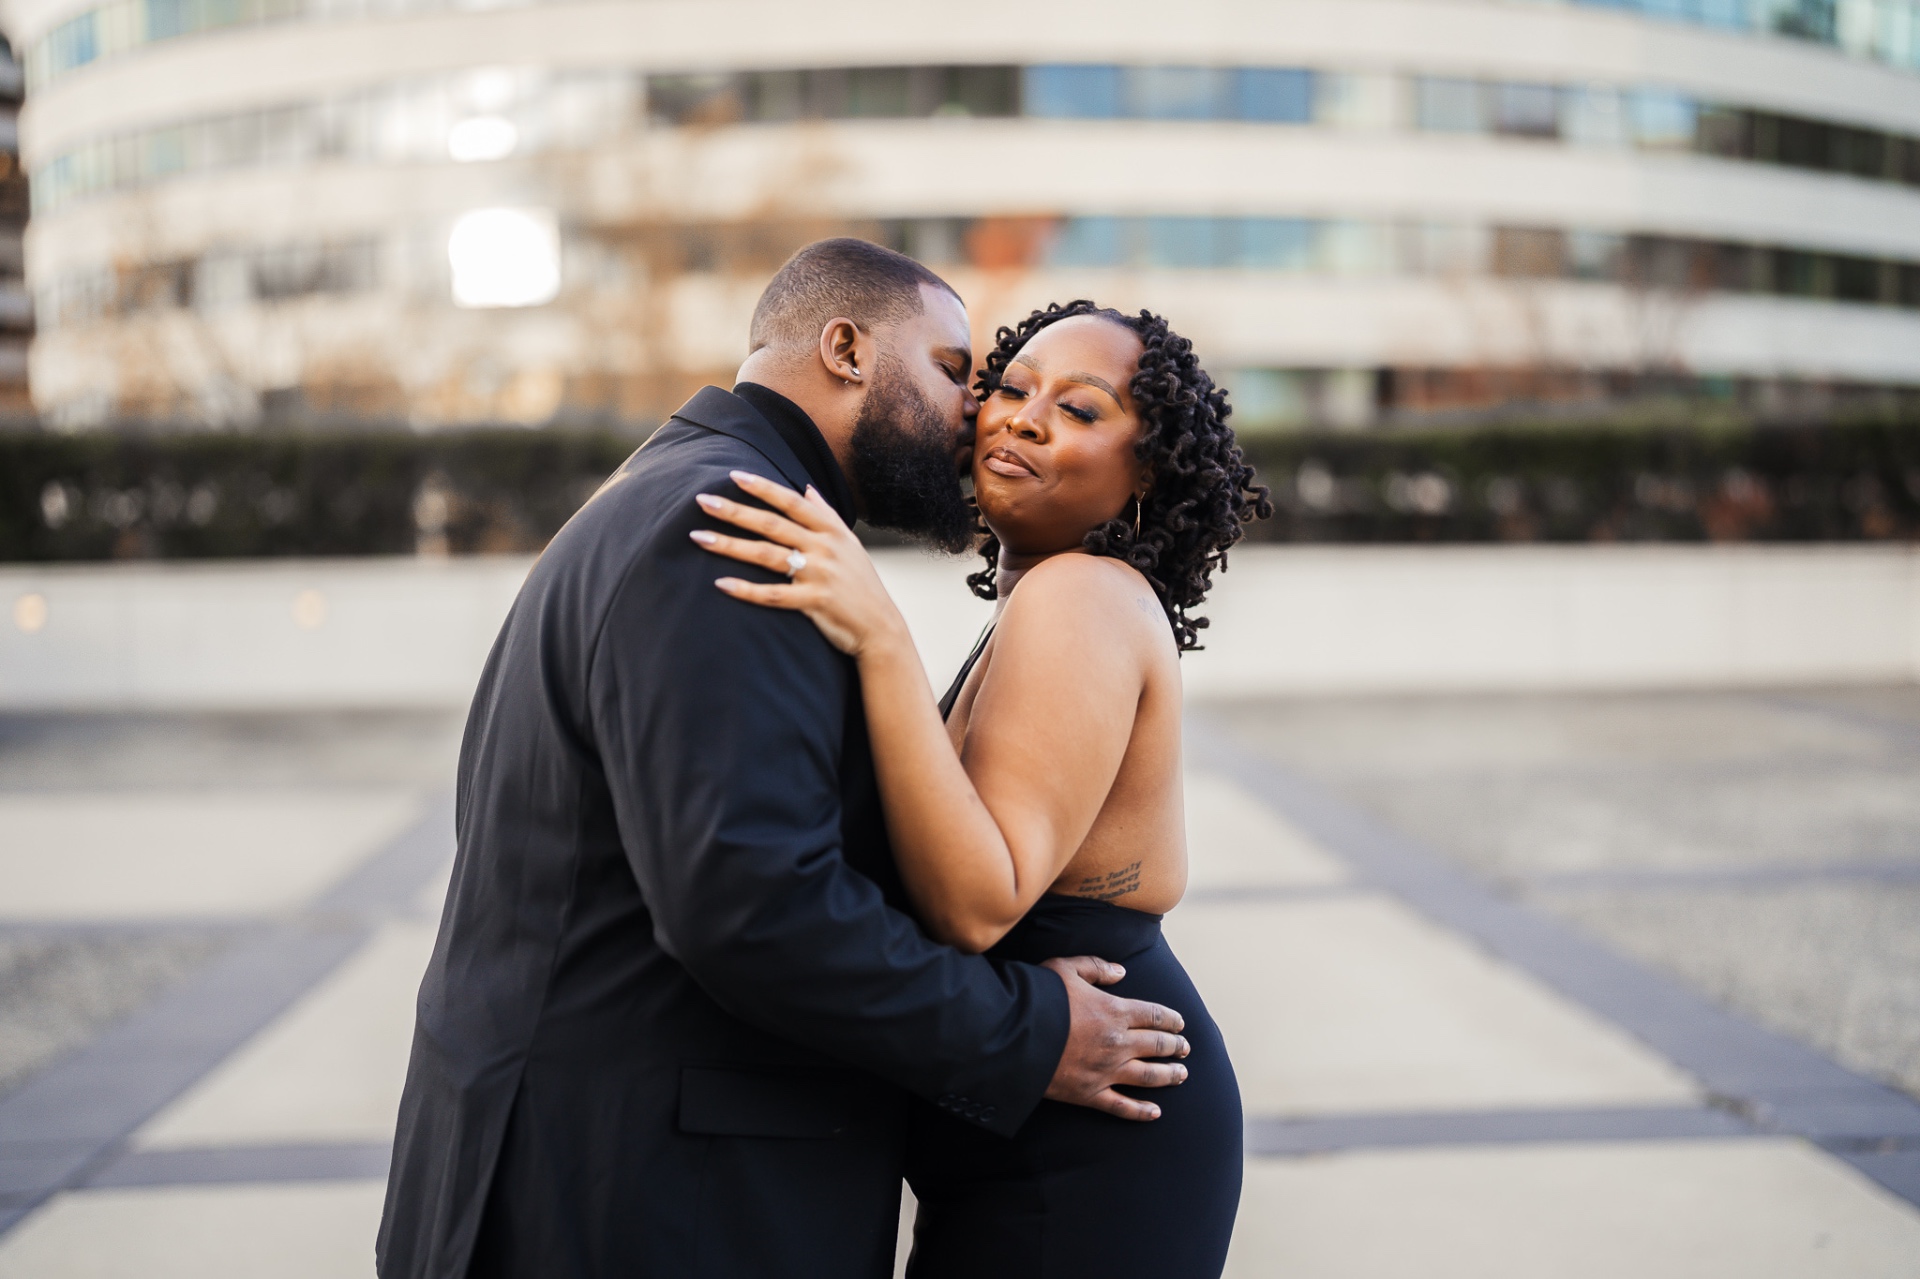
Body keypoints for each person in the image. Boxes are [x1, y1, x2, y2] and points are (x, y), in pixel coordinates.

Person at [375, 247, 1195, 1279]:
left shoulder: (691, 497)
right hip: (642, 1198)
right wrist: (1023, 1035)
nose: (975, 416)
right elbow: (751, 900)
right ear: (846, 350)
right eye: (956, 371)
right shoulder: (737, 526)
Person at [692, 298, 1273, 1278]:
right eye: (1009, 388)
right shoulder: (1041, 604)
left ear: (1148, 473)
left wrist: (879, 634)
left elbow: (974, 901)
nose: (1025, 416)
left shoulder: (1079, 596)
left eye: (1083, 409)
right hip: (1040, 1141)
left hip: (1091, 1156)